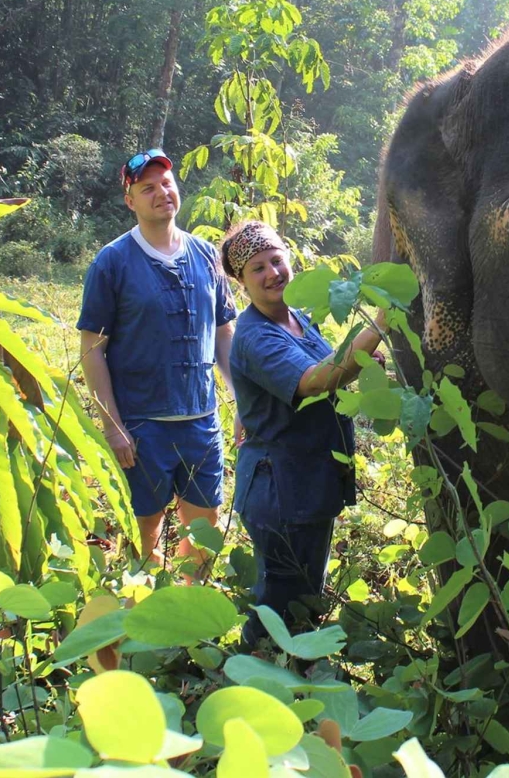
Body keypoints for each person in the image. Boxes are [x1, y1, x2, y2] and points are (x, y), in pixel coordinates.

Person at [219, 219, 386, 645]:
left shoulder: (298, 317)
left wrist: (361, 363)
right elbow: (313, 381)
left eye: (276, 260)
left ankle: (298, 665)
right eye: (258, 268)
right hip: (281, 490)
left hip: (310, 479)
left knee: (307, 591)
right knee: (280, 600)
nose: (272, 273)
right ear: (241, 281)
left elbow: (327, 367)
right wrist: (380, 324)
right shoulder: (255, 336)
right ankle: (256, 668)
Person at [77, 148, 239, 571]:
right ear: (130, 201)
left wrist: (242, 401)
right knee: (144, 531)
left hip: (201, 422)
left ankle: (188, 602)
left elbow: (224, 333)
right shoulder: (112, 262)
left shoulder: (206, 255)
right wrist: (112, 426)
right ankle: (141, 600)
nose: (161, 193)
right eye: (147, 188)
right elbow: (92, 349)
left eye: (166, 183)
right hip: (141, 426)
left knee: (203, 530)